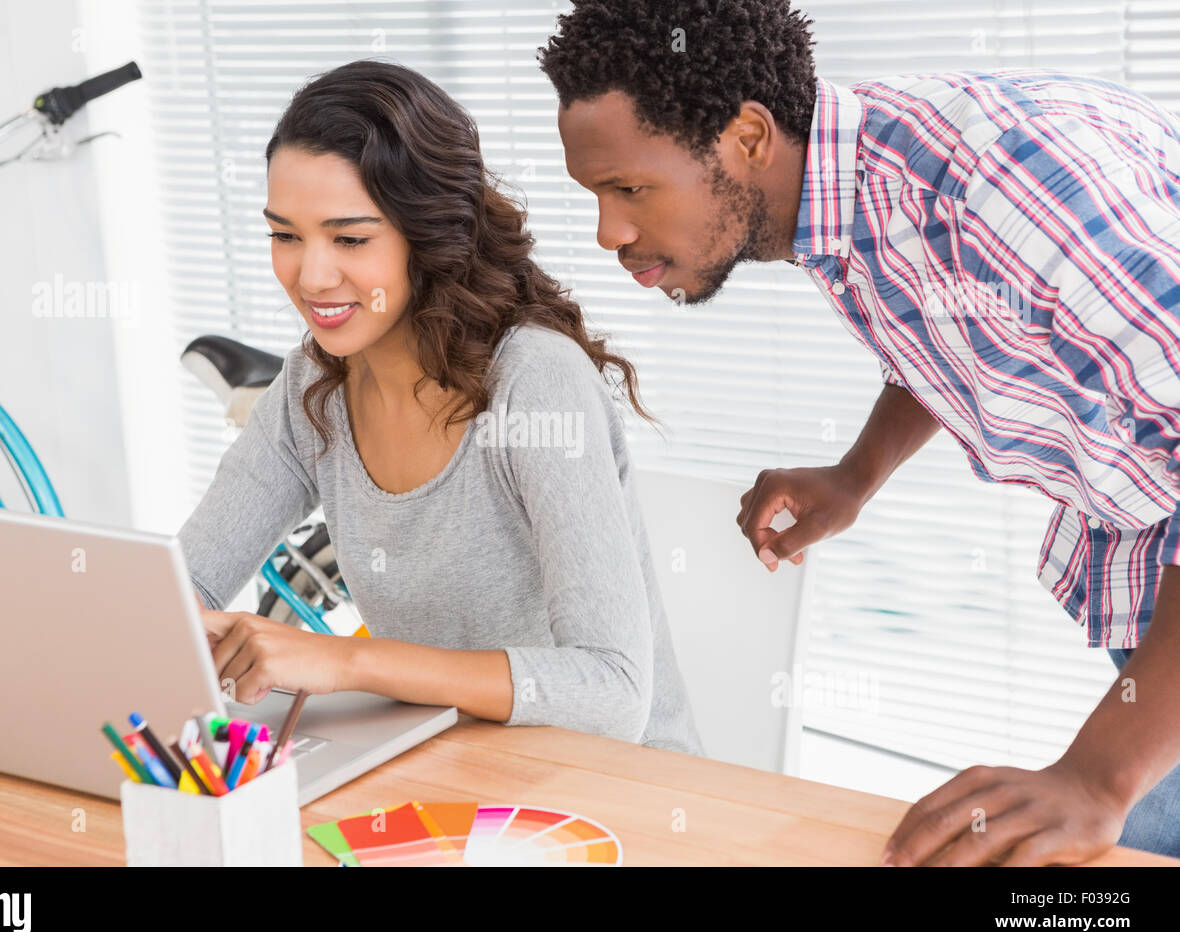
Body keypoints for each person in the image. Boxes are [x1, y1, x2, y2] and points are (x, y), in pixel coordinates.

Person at [539, 0, 1180, 862]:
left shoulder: (993, 191)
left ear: (749, 137)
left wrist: (1099, 776)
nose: (610, 231)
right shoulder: (861, 191)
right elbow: (961, 313)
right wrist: (857, 474)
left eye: (631, 189)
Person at [176, 59, 703, 756]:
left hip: (613, 796)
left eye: (350, 238)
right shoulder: (317, 381)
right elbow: (189, 584)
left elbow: (612, 692)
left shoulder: (534, 381)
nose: (310, 276)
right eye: (285, 235)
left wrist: (348, 661)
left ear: (428, 234)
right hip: (447, 772)